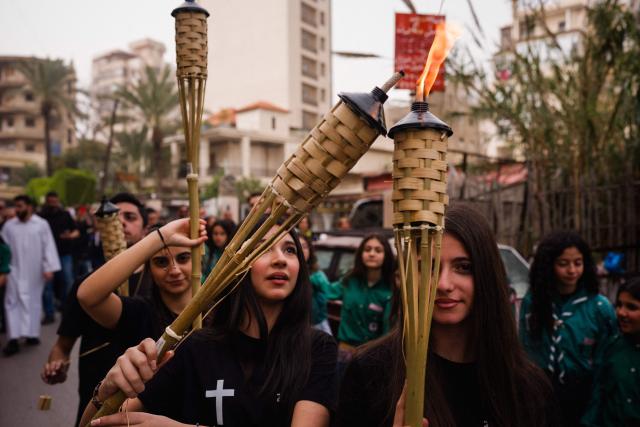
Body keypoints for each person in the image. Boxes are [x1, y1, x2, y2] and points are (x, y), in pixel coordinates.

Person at [80, 218, 338, 427]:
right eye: (263, 248)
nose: (280, 258)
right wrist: (105, 391)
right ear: (236, 263)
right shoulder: (197, 346)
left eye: (290, 250)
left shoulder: (317, 348)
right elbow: (99, 422)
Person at [336, 205, 557, 427]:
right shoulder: (370, 372)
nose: (443, 284)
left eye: (463, 267)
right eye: (429, 266)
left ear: (487, 274)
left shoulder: (527, 386)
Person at [42, 192, 148, 425]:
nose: (121, 223)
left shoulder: (160, 282)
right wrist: (57, 365)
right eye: (113, 217)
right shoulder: (86, 287)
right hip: (95, 403)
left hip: (146, 404)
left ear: (146, 230)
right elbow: (62, 347)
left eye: (130, 217)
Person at [519, 231, 617, 427]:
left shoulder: (599, 307)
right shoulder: (533, 302)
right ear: (548, 266)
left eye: (578, 263)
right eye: (563, 264)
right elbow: (525, 349)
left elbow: (606, 363)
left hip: (584, 393)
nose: (572, 270)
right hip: (542, 392)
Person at [2, 195, 60, 356]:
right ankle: (13, 338)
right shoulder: (9, 226)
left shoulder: (41, 225)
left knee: (34, 301)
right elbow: (3, 249)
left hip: (35, 270)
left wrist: (49, 267)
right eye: (16, 206)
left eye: (20, 206)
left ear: (29, 207)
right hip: (13, 269)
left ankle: (31, 334)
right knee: (12, 302)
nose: (17, 209)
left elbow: (48, 246)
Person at [326, 234, 394, 366]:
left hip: (374, 355)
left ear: (386, 256)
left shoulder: (391, 289)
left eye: (378, 250)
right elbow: (326, 292)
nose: (372, 254)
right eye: (367, 249)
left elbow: (390, 331)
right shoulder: (349, 281)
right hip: (345, 352)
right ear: (361, 254)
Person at [581, 278, 640, 427]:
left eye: (631, 307)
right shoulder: (612, 346)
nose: (621, 313)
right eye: (619, 305)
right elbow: (598, 395)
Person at [39, 191, 80, 313]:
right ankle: (49, 312)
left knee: (67, 281)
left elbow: (76, 231)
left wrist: (70, 236)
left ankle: (66, 307)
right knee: (47, 286)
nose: (53, 204)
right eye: (50, 202)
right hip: (46, 256)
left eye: (55, 202)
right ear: (46, 202)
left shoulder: (65, 214)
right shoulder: (41, 217)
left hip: (64, 254)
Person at [300, 235, 331, 334]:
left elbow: (327, 293)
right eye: (297, 246)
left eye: (304, 246)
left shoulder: (317, 275)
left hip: (316, 323)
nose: (301, 250)